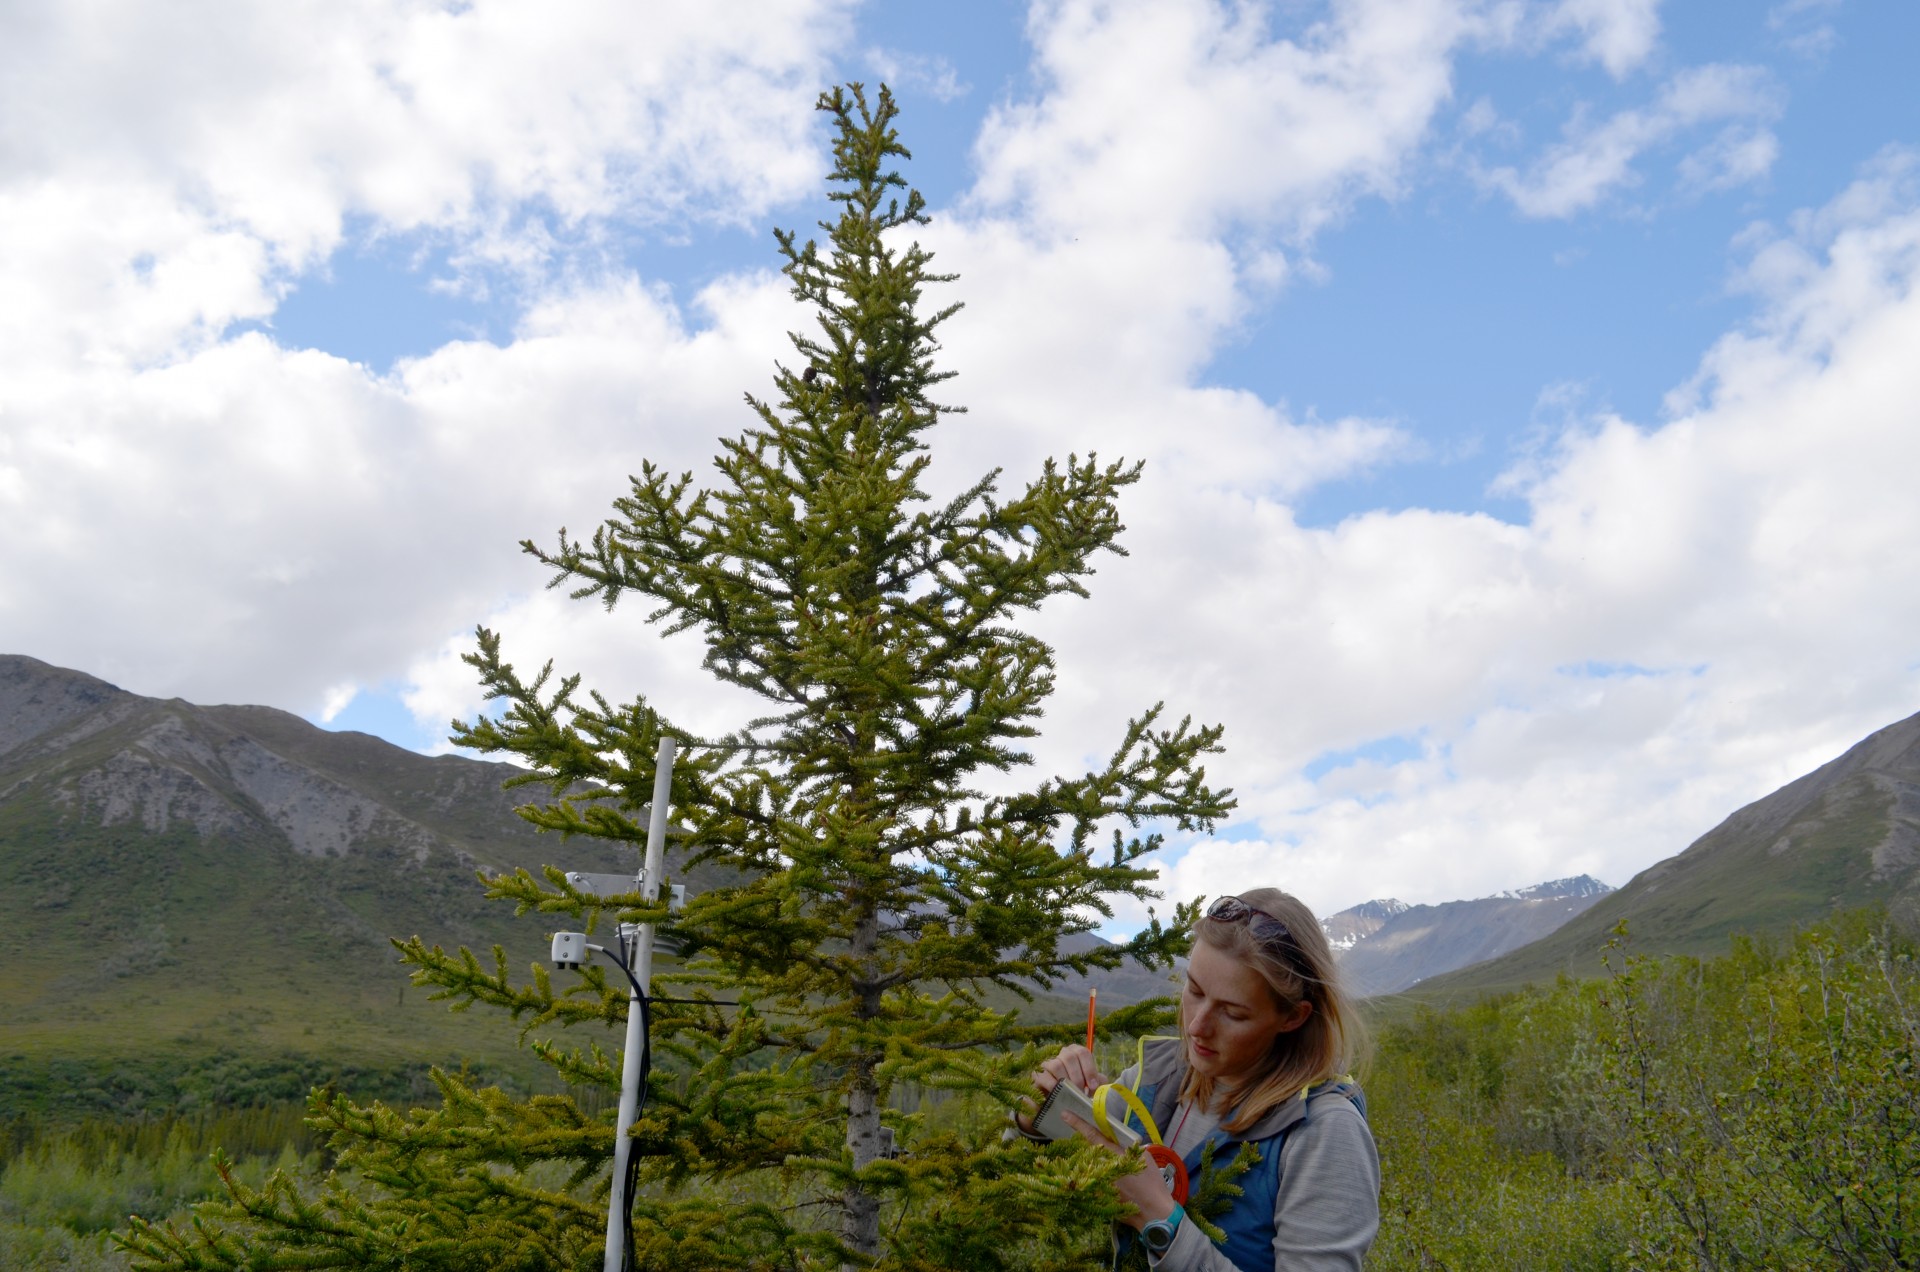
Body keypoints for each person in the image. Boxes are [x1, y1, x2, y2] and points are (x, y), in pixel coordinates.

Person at [1020, 889, 1379, 1271]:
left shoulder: (1325, 1132)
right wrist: (1034, 1113)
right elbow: (1010, 1176)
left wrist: (1158, 1219)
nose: (1196, 1026)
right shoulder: (1156, 1077)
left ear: (1293, 1017)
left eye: (1233, 1013)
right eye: (1194, 990)